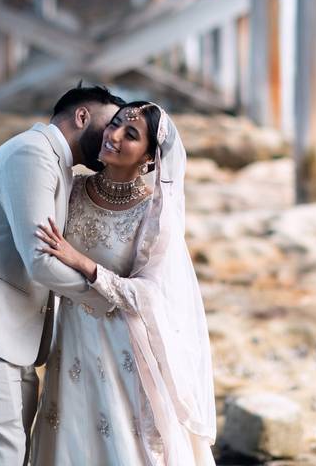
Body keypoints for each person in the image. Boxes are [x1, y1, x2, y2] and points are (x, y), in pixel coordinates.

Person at [0, 84, 125, 465]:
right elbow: (39, 260)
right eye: (110, 121)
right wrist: (105, 294)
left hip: (11, 329)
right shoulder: (31, 154)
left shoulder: (57, 164)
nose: (113, 133)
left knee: (16, 451)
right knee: (4, 452)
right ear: (82, 116)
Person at [31, 102, 216, 465]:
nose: (113, 136)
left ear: (149, 158)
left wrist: (82, 262)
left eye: (130, 135)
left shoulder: (153, 215)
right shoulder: (72, 189)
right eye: (113, 125)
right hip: (69, 342)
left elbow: (150, 294)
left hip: (122, 351)